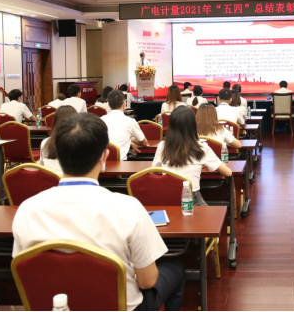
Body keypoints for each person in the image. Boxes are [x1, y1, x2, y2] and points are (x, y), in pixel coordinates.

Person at [12, 113, 185, 311]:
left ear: (57, 153)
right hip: (120, 307)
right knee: (176, 270)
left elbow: (23, 268)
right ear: (104, 156)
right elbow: (147, 282)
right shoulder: (128, 207)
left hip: (54, 306)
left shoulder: (27, 209)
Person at [152, 107, 232, 206]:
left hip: (167, 197)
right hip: (191, 198)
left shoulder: (162, 146)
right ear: (194, 125)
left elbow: (154, 171)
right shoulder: (201, 148)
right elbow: (228, 173)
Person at [102, 90, 150, 160]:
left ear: (109, 105)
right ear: (124, 103)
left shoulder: (100, 120)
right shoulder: (130, 121)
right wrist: (130, 140)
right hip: (121, 163)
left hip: (102, 163)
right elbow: (144, 143)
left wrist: (129, 141)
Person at [39, 105, 77, 175]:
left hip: (50, 179)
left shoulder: (45, 142)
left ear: (55, 121)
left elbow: (41, 167)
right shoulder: (82, 143)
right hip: (73, 180)